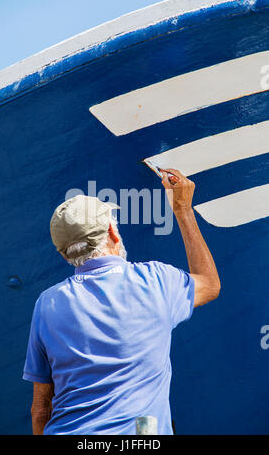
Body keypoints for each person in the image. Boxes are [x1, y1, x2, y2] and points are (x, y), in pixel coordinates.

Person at [23, 169, 220, 435]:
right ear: (113, 233)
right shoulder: (156, 280)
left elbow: (41, 408)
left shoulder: (47, 304)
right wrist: (183, 209)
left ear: (63, 254)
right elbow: (209, 284)